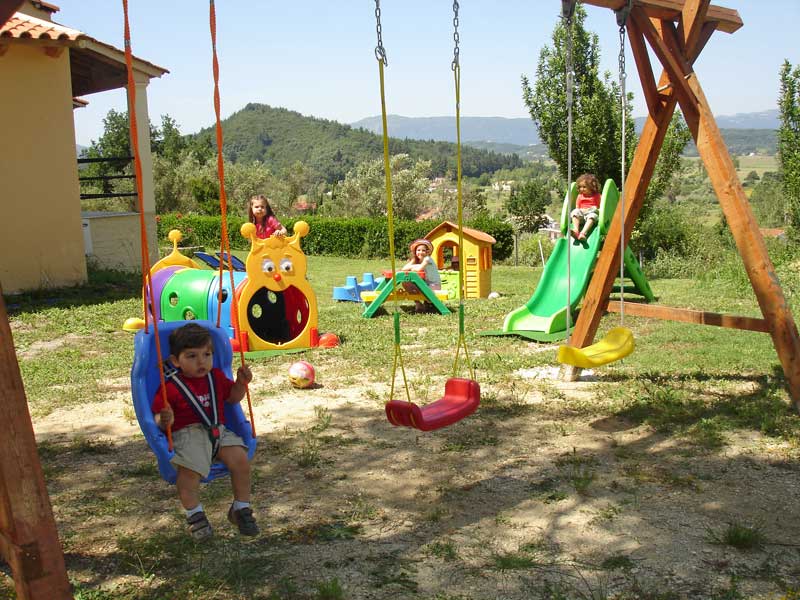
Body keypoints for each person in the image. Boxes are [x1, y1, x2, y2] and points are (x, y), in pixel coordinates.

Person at [152, 323, 258, 540]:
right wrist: (164, 419)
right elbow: (157, 418)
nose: (201, 361)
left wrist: (241, 383)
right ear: (175, 361)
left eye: (206, 355)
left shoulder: (215, 377)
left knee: (241, 461)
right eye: (192, 356)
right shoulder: (170, 387)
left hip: (219, 430)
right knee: (190, 472)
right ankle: (195, 515)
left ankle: (241, 508)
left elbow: (233, 398)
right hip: (188, 434)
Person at [402, 238, 441, 313]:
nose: (421, 252)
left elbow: (418, 269)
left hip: (434, 286)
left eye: (423, 250)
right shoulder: (418, 260)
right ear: (415, 251)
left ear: (427, 252)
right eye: (418, 250)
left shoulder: (427, 259)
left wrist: (412, 267)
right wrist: (413, 262)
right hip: (426, 284)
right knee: (405, 283)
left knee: (410, 283)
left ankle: (428, 303)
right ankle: (418, 303)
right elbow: (404, 268)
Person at [569, 173, 601, 241]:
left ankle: (583, 233)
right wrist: (581, 211)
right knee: (575, 212)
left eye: (584, 187)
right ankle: (576, 230)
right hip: (581, 216)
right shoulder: (580, 196)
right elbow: (577, 207)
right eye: (580, 187)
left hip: (590, 215)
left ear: (591, 187)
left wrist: (592, 210)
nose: (582, 189)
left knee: (593, 214)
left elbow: (599, 207)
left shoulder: (597, 196)